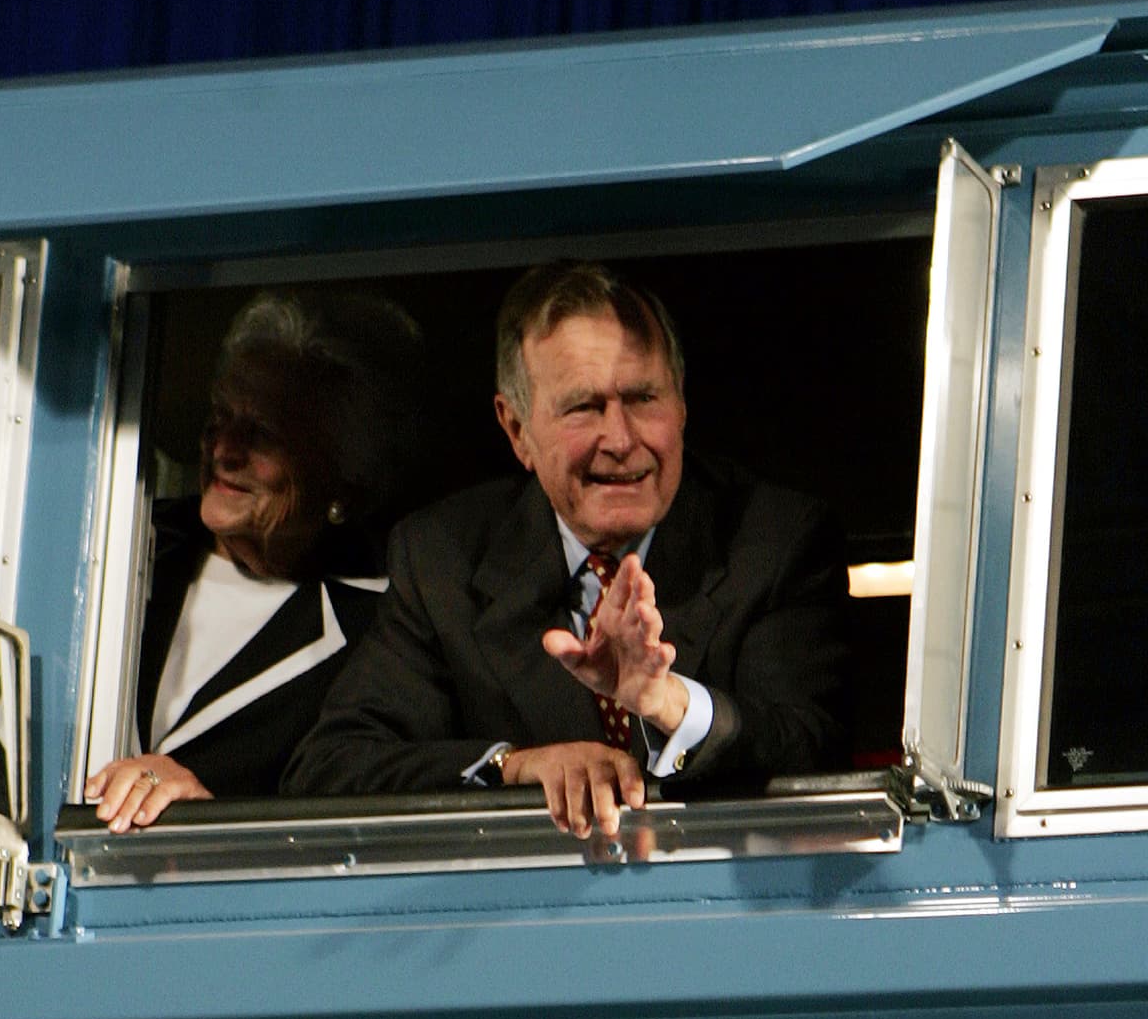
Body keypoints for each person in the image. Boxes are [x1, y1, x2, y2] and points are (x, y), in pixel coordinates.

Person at [284, 260, 849, 838]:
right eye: (584, 407)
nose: (622, 439)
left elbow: (813, 751)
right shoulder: (442, 557)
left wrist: (667, 701)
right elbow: (332, 767)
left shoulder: (774, 540)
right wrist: (515, 765)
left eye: (644, 398)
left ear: (681, 406)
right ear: (518, 430)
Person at [86, 290, 421, 831]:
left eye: (263, 433)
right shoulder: (120, 540)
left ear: (344, 480)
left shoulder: (378, 632)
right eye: (220, 417)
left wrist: (211, 818)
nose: (225, 450)